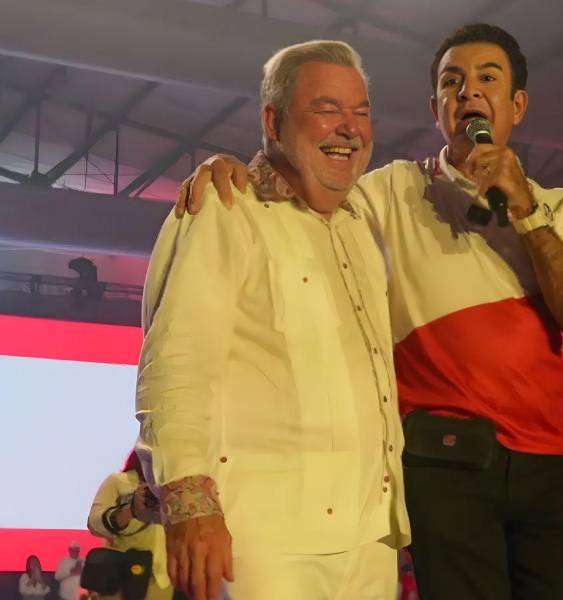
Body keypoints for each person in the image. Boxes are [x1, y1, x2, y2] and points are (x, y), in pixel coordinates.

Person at [180, 23, 563, 599]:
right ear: (436, 108)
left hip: (546, 462)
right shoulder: (389, 191)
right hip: (444, 462)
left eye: (487, 78)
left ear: (517, 105)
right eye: (452, 82)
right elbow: (309, 172)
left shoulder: (558, 206)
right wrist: (234, 165)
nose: (469, 92)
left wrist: (522, 207)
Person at [135, 39, 410, 600]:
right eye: (327, 109)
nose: (349, 127)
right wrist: (190, 507)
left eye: (360, 112)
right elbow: (177, 363)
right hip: (263, 541)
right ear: (273, 121)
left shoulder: (363, 228)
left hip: (371, 541)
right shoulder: (226, 209)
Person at [87, 450, 172, 599]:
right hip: (121, 578)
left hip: (164, 580)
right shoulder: (119, 481)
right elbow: (94, 522)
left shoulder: (177, 488)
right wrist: (129, 510)